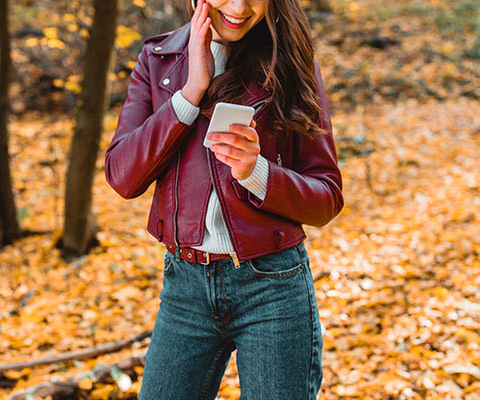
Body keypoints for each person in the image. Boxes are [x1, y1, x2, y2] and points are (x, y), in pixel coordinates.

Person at [104, 0, 344, 398]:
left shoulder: (288, 62)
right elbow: (122, 177)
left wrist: (256, 171)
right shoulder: (158, 59)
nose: (238, 7)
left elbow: (326, 196)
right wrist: (189, 93)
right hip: (184, 291)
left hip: (273, 287)